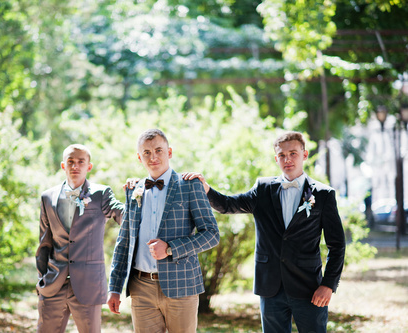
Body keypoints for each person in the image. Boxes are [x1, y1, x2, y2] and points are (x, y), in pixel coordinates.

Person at [183, 131, 346, 333]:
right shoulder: (263, 189)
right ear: (276, 158)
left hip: (309, 287)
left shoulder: (323, 195)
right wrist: (206, 189)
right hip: (271, 287)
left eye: (293, 153)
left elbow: (337, 245)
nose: (287, 159)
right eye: (282, 155)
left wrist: (328, 285)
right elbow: (228, 205)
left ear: (304, 155)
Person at [107, 129, 220, 333]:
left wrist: (170, 248)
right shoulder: (134, 190)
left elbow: (211, 234)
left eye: (159, 150)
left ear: (169, 152)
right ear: (139, 157)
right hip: (141, 287)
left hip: (181, 285)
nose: (153, 157)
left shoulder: (190, 185)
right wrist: (114, 287)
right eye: (147, 152)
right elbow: (124, 242)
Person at [35, 144, 125, 333]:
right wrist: (41, 281)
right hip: (52, 284)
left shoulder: (101, 194)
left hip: (88, 283)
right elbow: (44, 243)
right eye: (71, 162)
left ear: (88, 166)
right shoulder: (47, 197)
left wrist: (137, 195)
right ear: (63, 166)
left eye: (80, 162)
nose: (75, 166)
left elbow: (122, 215)